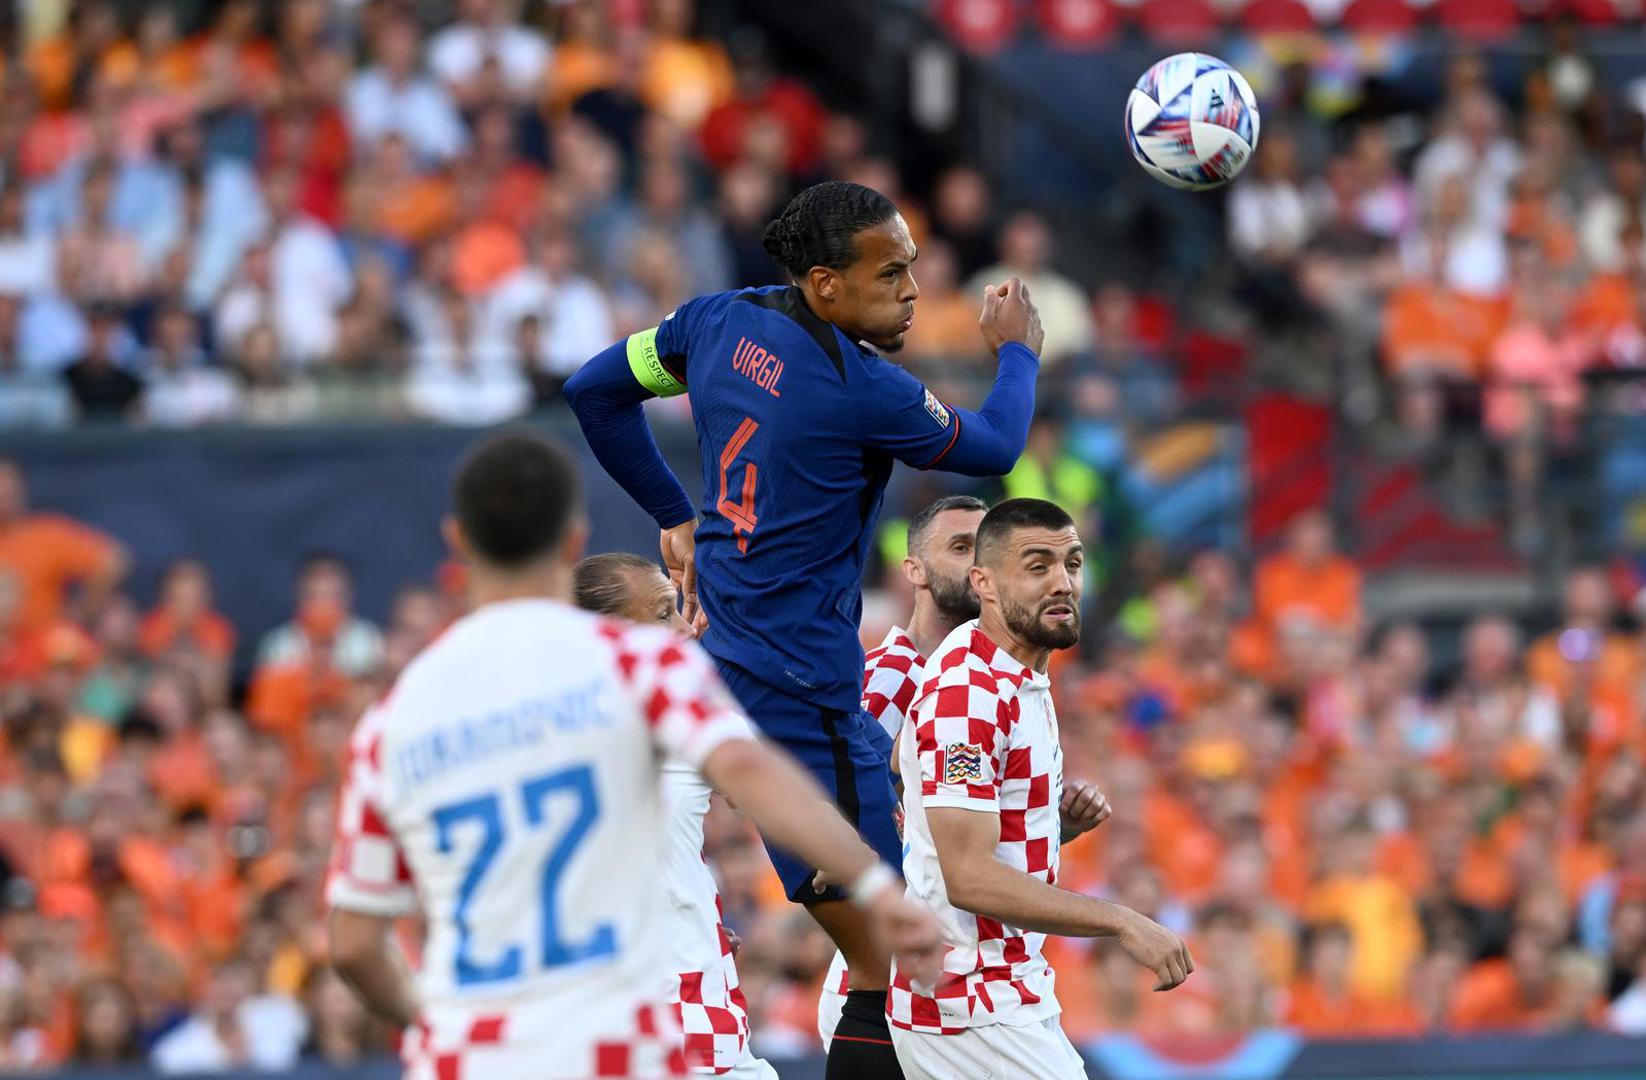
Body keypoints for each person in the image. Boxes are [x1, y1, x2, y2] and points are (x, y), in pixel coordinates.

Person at [566, 180, 1043, 1078]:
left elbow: (593, 392)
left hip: (733, 671)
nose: (911, 291)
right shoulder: (864, 389)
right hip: (803, 708)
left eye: (913, 269)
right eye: (891, 273)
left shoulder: (713, 323)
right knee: (910, 964)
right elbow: (995, 446)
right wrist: (1017, 353)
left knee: (892, 953)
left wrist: (674, 514)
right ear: (825, 283)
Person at [326, 431, 942, 1080]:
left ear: (457, 542)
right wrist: (877, 885)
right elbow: (757, 773)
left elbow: (355, 944)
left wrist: (440, 1021)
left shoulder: (398, 716)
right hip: (638, 1043)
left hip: (470, 1059)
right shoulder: (635, 667)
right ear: (571, 540)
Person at [891, 498, 1193, 1079]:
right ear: (983, 583)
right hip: (968, 1000)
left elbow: (982, 844)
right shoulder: (968, 695)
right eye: (1037, 566)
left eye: (1072, 564)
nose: (1063, 583)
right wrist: (1122, 920)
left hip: (1004, 988)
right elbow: (967, 876)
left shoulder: (1017, 669)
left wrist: (1059, 828)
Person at [572, 551, 775, 1079]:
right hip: (675, 1020)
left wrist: (688, 910)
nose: (687, 631)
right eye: (665, 614)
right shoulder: (681, 718)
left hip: (684, 1002)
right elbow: (790, 793)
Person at [817, 494, 989, 1048]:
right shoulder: (895, 676)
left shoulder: (979, 678)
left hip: (943, 965)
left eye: (985, 549)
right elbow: (842, 791)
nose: (976, 563)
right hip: (892, 981)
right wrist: (840, 841)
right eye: (959, 547)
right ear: (912, 570)